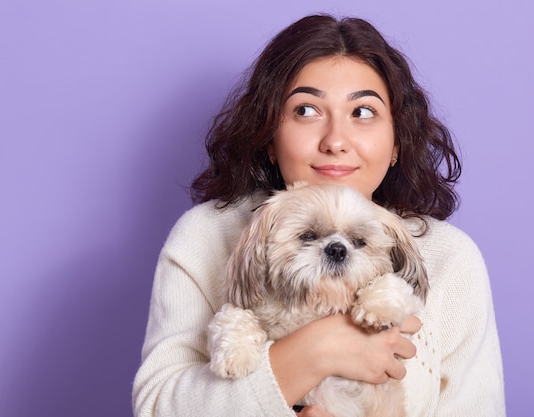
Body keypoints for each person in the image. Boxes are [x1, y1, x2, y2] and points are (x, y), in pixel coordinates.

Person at [132, 14, 505, 417]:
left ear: (397, 141)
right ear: (269, 137)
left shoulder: (452, 259)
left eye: (362, 112)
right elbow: (156, 408)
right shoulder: (204, 236)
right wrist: (314, 352)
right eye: (307, 110)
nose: (336, 141)